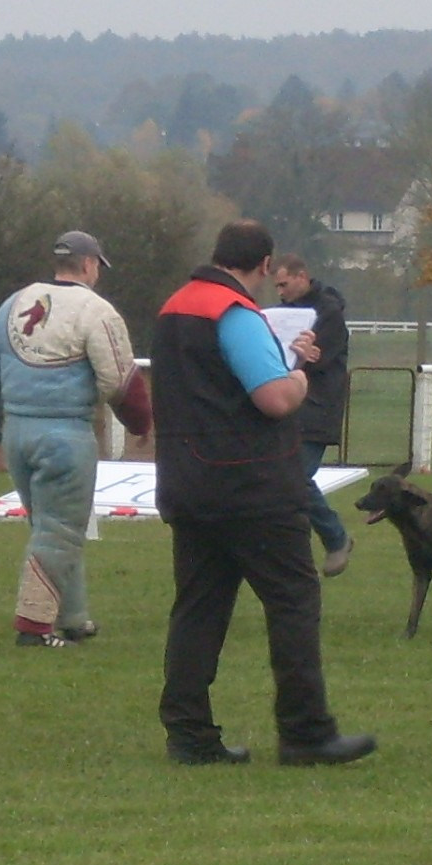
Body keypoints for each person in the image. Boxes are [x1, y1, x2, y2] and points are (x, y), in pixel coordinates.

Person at [153, 220, 378, 767]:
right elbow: (274, 397)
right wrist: (300, 376)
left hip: (188, 481)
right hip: (252, 486)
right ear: (263, 265)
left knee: (198, 609)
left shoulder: (174, 308)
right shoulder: (234, 312)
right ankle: (306, 733)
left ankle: (189, 734)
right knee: (293, 601)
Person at [0, 230, 152, 649]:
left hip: (18, 434)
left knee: (49, 525)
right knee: (60, 532)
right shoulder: (96, 311)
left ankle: (73, 618)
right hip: (65, 436)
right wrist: (140, 423)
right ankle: (34, 628)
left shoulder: (13, 305)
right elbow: (118, 381)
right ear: (89, 265)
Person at [270, 252, 356, 577]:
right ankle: (290, 550)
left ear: (302, 276)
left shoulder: (329, 313)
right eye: (277, 286)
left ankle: (336, 537)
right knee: (282, 480)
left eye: (284, 284)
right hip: (289, 405)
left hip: (317, 410)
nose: (280, 292)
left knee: (295, 477)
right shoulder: (283, 314)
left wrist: (304, 356)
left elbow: (317, 360)